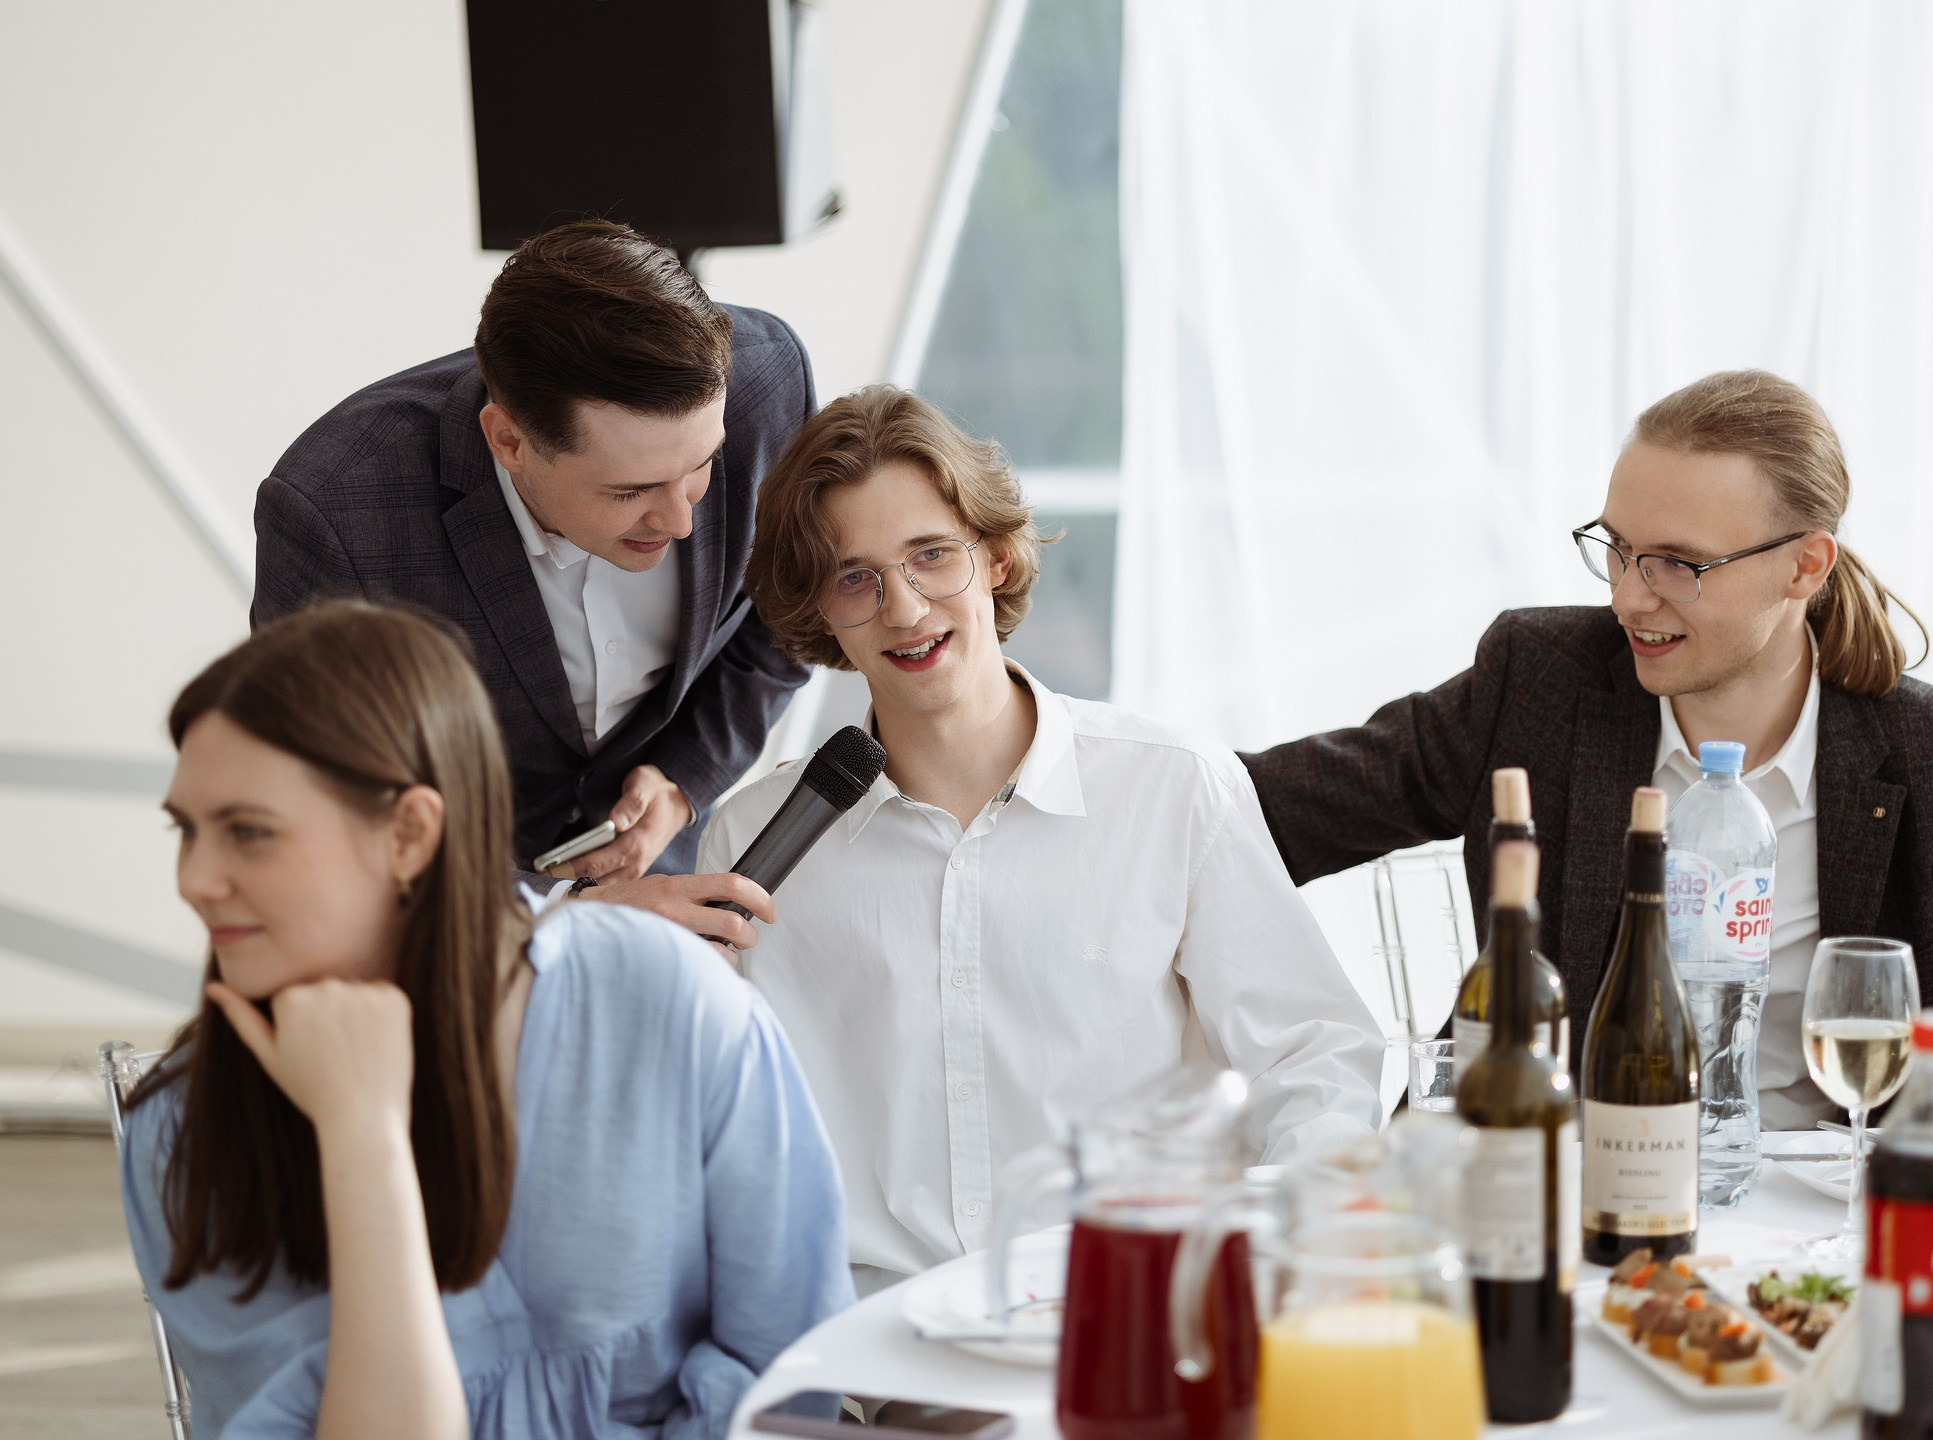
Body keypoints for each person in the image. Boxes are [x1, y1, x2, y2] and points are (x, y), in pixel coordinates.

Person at [696, 386, 1383, 1287]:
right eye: (855, 577)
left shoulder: (1174, 788)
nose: (903, 608)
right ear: (820, 608)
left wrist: (1283, 1258)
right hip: (865, 1343)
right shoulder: (751, 841)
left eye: (931, 556)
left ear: (996, 557)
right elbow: (713, 1131)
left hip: (1126, 1316)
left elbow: (1314, 1055)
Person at [122, 601, 851, 1439]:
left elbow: (790, 1383)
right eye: (187, 831)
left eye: (248, 832)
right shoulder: (186, 1129)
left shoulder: (666, 999)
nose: (194, 880)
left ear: (409, 833)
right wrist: (363, 1138)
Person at [1241, 370, 1933, 1127]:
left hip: (1826, 1213)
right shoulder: (1538, 680)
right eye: (1619, 548)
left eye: (1677, 564)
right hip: (1543, 1178)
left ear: (1805, 566)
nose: (1628, 597)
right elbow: (1258, 814)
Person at [253, 219, 807, 949]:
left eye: (701, 465)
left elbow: (787, 615)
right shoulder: (335, 514)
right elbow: (327, 810)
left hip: (669, 878)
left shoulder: (768, 385)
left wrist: (681, 782)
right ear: (508, 441)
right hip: (440, 932)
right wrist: (560, 915)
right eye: (630, 490)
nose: (680, 521)